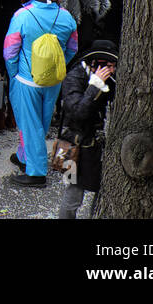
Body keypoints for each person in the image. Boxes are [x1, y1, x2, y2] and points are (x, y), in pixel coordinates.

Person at [4, 0, 79, 186]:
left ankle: (36, 173)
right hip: (53, 81)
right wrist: (58, 65)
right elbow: (73, 48)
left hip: (27, 80)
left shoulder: (22, 15)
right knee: (42, 122)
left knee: (30, 125)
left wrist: (14, 75)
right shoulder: (67, 18)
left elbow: (10, 51)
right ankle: (24, 156)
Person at [57, 40, 118, 218]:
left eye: (113, 66)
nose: (112, 70)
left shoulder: (110, 80)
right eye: (108, 66)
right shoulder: (73, 78)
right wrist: (94, 86)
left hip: (96, 146)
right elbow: (78, 112)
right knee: (73, 195)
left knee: (102, 194)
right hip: (74, 145)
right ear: (94, 63)